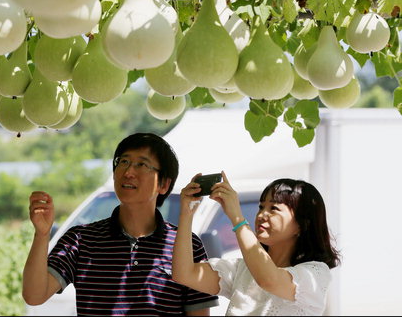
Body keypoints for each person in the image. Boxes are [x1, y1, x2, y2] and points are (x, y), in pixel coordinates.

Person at [22, 132, 219, 316]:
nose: (128, 172)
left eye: (142, 165)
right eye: (123, 161)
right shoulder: (80, 240)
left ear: (164, 185)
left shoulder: (188, 246)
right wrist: (42, 234)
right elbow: (34, 295)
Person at [172, 172, 341, 316]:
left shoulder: (315, 274)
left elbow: (269, 280)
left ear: (302, 223)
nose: (261, 214)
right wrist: (186, 213)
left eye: (273, 208)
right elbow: (184, 274)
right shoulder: (243, 268)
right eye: (261, 207)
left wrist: (237, 218)